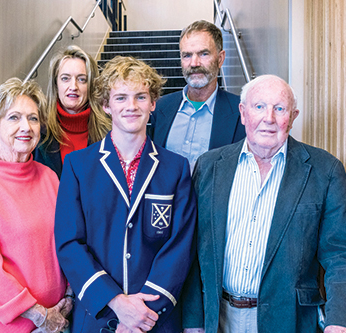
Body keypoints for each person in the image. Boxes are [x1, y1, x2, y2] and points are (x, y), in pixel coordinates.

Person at [183, 75, 346, 333]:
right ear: (243, 113)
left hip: (290, 321)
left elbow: (339, 255)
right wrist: (193, 322)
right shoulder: (209, 167)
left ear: (292, 117)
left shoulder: (325, 171)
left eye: (279, 109)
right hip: (220, 318)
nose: (268, 118)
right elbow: (192, 251)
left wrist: (338, 320)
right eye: (259, 107)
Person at [55, 56, 197, 332]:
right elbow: (69, 243)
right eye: (121, 98)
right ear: (106, 105)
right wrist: (117, 303)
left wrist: (142, 316)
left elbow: (181, 246)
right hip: (97, 317)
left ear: (153, 103)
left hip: (156, 321)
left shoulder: (176, 168)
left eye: (141, 97)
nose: (131, 106)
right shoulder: (78, 166)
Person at [0, 78, 73, 333]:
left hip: (56, 317)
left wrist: (68, 297)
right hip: (4, 323)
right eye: (14, 118)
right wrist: (39, 315)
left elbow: (65, 241)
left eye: (33, 118)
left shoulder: (49, 177)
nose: (26, 127)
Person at [149, 20, 245, 172]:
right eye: (187, 55)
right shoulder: (160, 108)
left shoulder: (241, 112)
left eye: (204, 54)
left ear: (220, 59)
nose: (194, 63)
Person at [34, 45, 112, 178]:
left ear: (91, 85)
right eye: (65, 78)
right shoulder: (37, 128)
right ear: (55, 84)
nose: (73, 87)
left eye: (82, 79)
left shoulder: (110, 131)